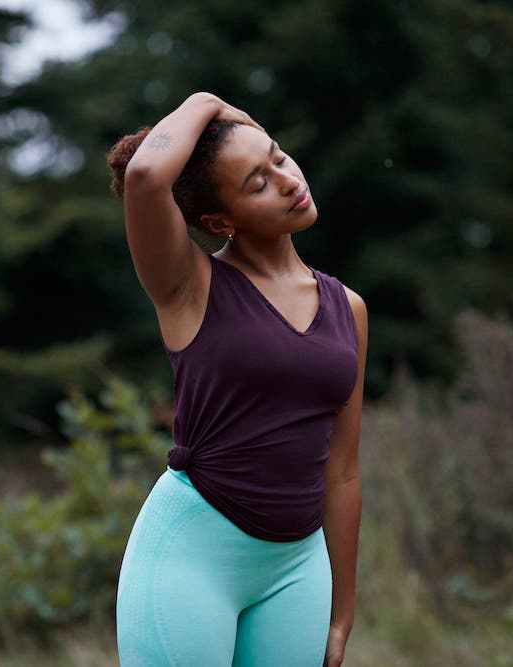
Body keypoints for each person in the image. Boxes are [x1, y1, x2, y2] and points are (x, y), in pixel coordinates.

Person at [107, 92, 367, 666]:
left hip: (298, 568)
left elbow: (343, 471)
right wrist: (207, 102)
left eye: (278, 157)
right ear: (220, 220)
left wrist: (341, 614)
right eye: (257, 182)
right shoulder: (188, 285)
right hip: (192, 553)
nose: (287, 179)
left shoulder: (347, 308)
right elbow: (148, 175)